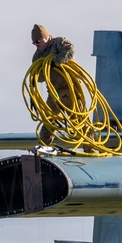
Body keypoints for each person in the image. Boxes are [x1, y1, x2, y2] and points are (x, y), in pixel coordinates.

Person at [30, 24, 79, 153]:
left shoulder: (59, 43)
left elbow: (70, 51)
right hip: (54, 93)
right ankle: (43, 150)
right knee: (48, 122)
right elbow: (37, 76)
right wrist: (32, 94)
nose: (36, 45)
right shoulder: (37, 56)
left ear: (46, 38)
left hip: (70, 89)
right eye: (34, 43)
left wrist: (54, 62)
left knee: (78, 122)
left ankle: (90, 149)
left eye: (38, 41)